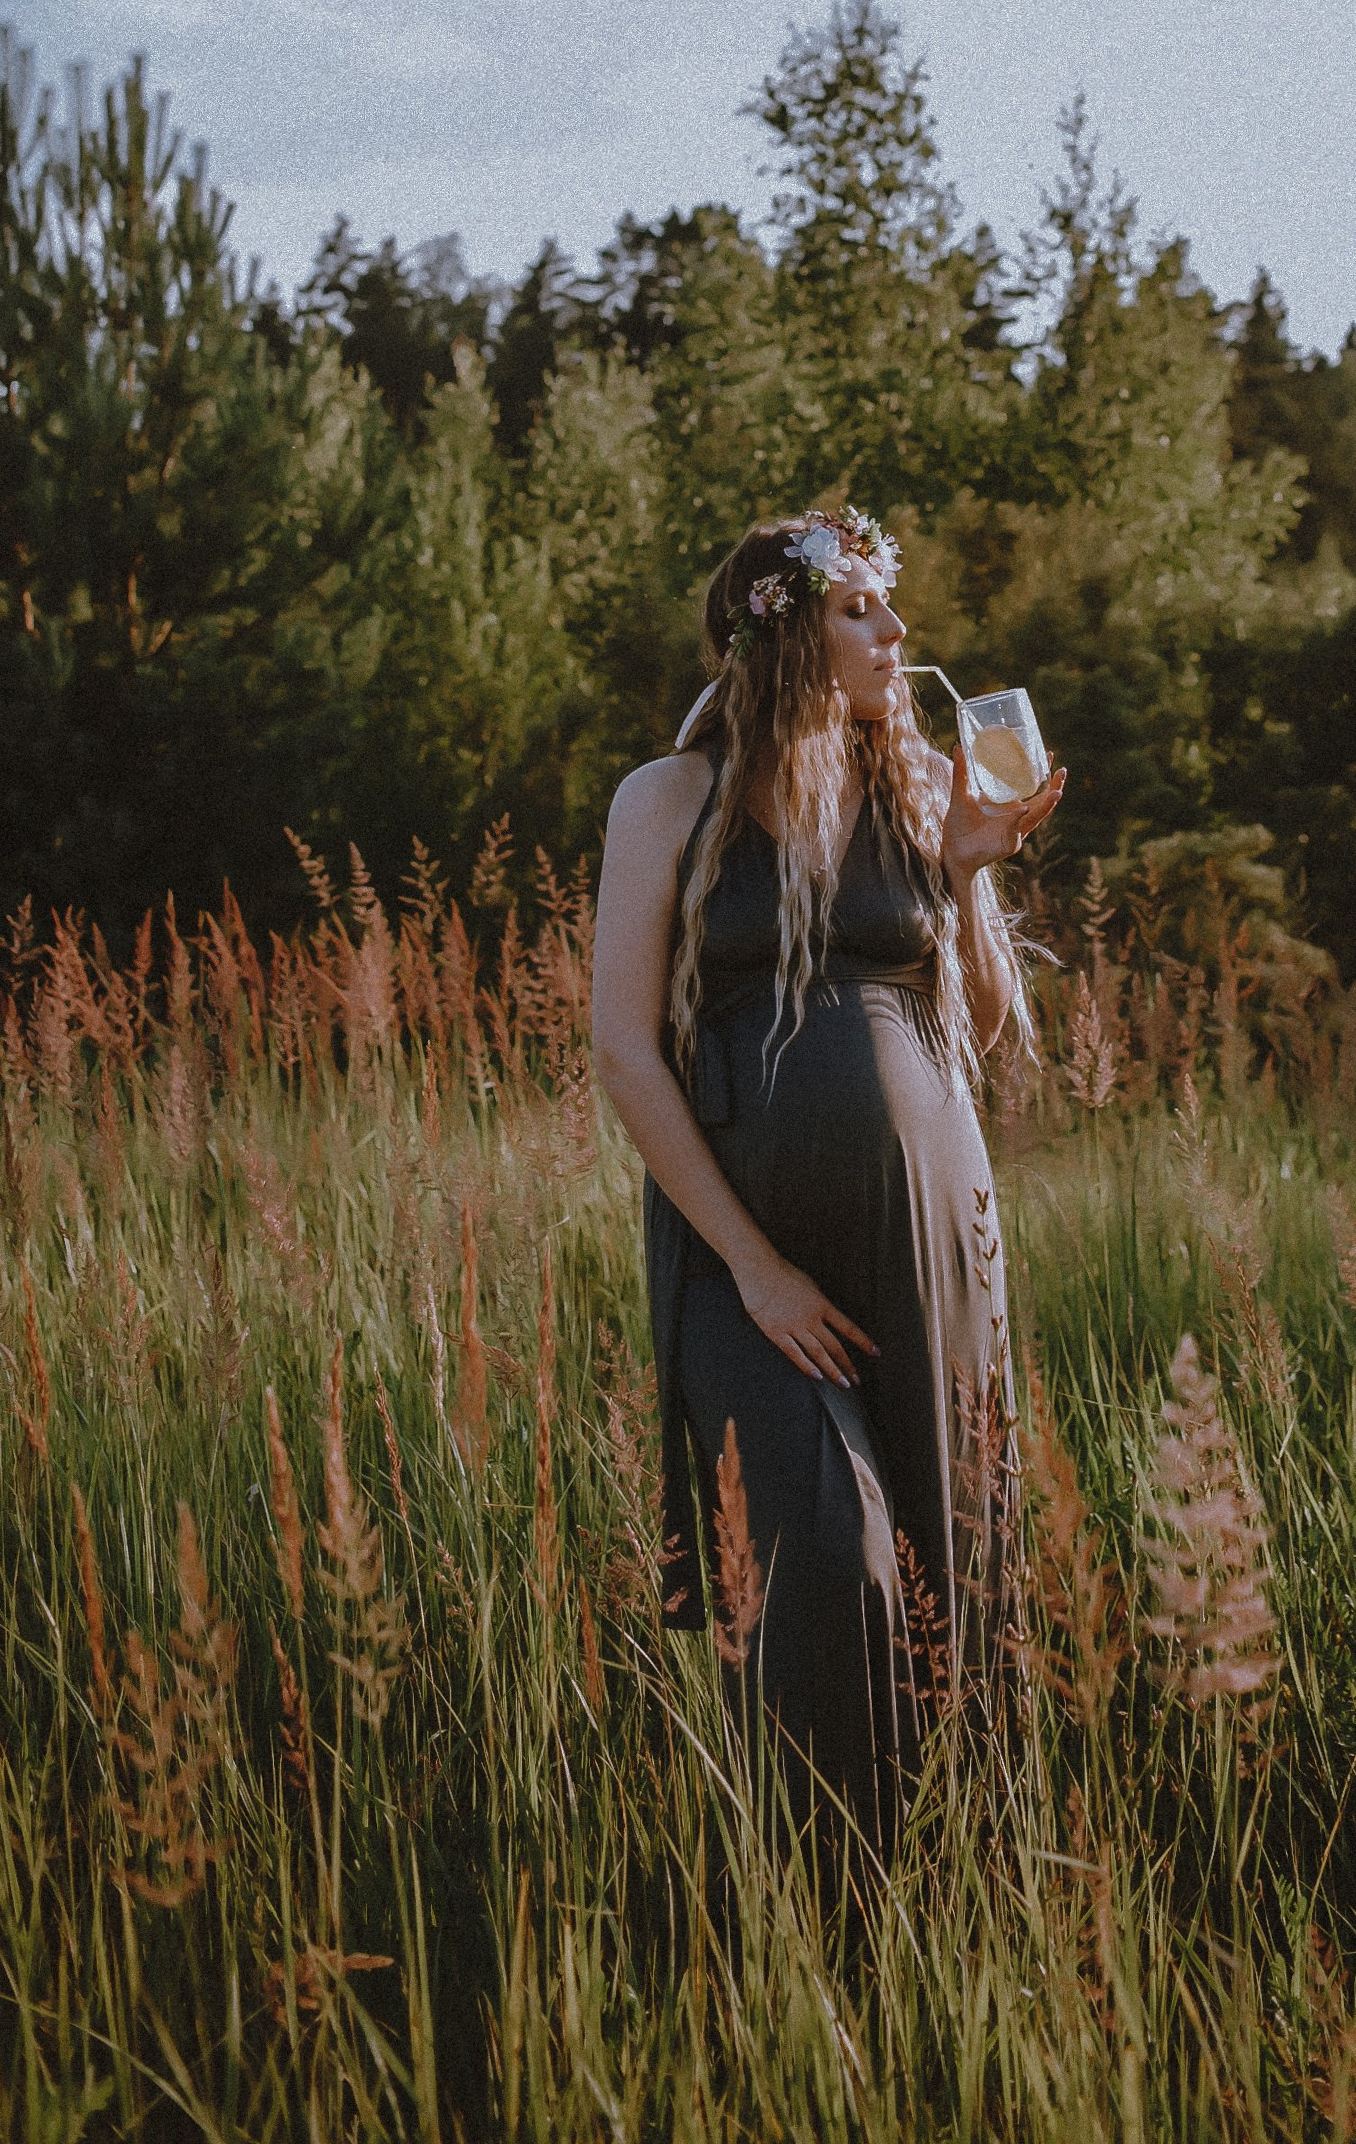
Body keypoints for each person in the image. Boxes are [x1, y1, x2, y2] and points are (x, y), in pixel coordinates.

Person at [592, 507, 1065, 1854]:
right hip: (749, 1244)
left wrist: (967, 871)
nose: (894, 633)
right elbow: (625, 1049)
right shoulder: (667, 798)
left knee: (948, 1543)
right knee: (820, 1546)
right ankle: (818, 1883)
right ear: (781, 623)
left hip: (928, 1221)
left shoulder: (915, 786)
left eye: (886, 606)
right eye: (860, 607)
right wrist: (751, 1262)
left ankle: (961, 1863)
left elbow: (968, 1026)